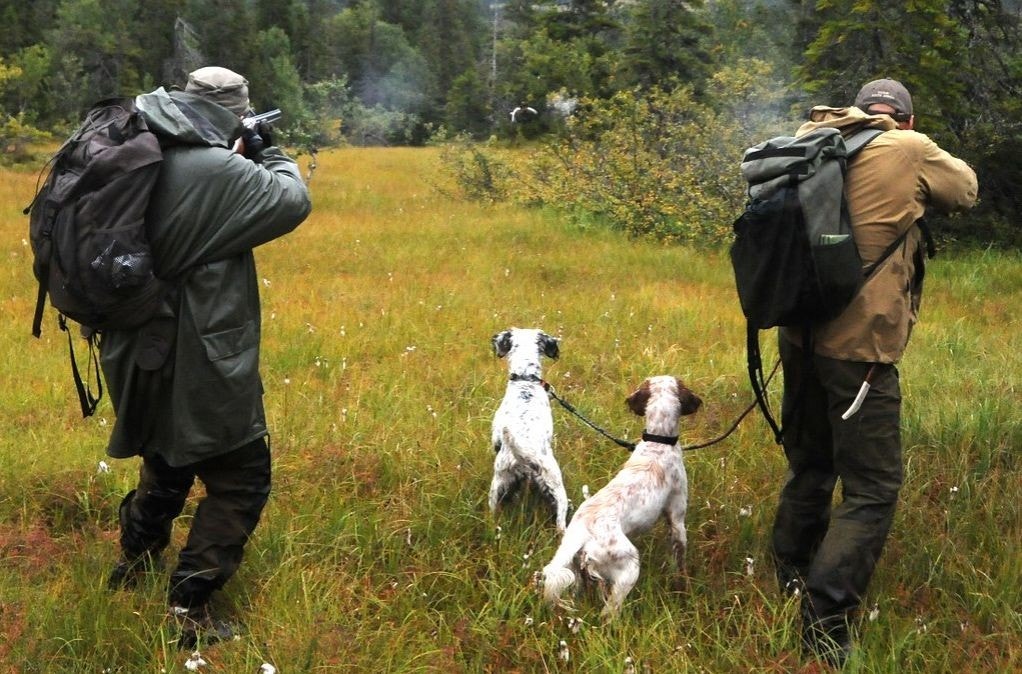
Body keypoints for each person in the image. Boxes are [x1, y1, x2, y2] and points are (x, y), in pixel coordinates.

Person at [770, 78, 977, 667]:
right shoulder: (909, 148)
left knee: (811, 462)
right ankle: (825, 623)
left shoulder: (813, 135)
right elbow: (965, 190)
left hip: (798, 337)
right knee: (872, 488)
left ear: (860, 110)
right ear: (906, 119)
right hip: (859, 350)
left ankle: (788, 571)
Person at [102, 66, 312, 647]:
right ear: (232, 113)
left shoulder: (144, 150)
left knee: (168, 456)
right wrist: (269, 153)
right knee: (242, 477)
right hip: (198, 353)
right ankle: (189, 606)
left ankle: (134, 562)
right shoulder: (218, 168)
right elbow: (293, 201)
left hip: (136, 346)